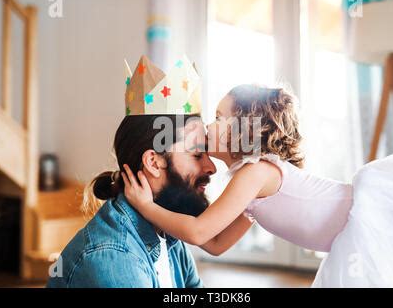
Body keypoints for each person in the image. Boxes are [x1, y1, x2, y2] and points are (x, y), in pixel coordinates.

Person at [124, 84, 393, 287]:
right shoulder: (249, 180)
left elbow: (199, 230)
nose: (207, 127)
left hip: (365, 220)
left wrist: (146, 206)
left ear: (245, 127)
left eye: (218, 118)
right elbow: (214, 244)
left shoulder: (256, 172)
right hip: (353, 233)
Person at [47, 114, 252, 287]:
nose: (212, 167)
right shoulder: (115, 256)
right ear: (153, 163)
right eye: (197, 155)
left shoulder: (170, 235)